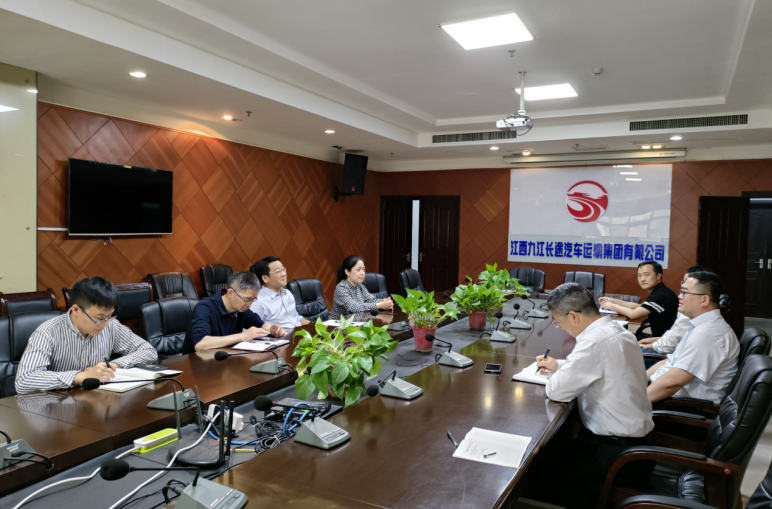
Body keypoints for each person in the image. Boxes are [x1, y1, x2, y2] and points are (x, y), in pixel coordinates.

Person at [530, 283, 654, 509]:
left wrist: (562, 372)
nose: (560, 327)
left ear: (573, 316)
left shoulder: (593, 342)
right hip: (637, 447)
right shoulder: (616, 330)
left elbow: (556, 390)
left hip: (614, 456)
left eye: (557, 322)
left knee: (533, 474)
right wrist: (561, 365)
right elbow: (603, 366)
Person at [15, 276, 157, 394]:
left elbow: (148, 351)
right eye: (99, 318)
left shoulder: (111, 326)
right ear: (76, 310)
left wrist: (113, 365)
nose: (104, 324)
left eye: (109, 317)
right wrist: (79, 376)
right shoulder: (48, 332)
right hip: (57, 406)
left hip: (98, 402)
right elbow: (24, 380)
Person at [647, 271, 739, 403]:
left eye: (684, 292)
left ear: (704, 300)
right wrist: (641, 380)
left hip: (680, 404)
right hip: (664, 393)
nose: (679, 296)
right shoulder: (699, 326)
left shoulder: (707, 335)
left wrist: (635, 403)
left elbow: (673, 382)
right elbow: (671, 361)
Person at [183, 272, 286, 354]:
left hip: (225, 362)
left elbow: (260, 324)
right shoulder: (205, 308)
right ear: (230, 293)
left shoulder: (241, 309)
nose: (249, 304)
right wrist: (242, 336)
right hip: (197, 366)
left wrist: (272, 330)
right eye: (247, 299)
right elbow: (200, 344)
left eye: (253, 300)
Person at [638, 265, 713, 369]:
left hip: (666, 355)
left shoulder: (692, 314)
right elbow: (676, 337)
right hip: (667, 351)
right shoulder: (690, 309)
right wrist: (652, 341)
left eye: (687, 285)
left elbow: (671, 345)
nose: (680, 295)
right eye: (683, 282)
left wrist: (646, 346)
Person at [598, 261, 678, 338]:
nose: (642, 279)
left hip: (664, 343)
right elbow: (640, 306)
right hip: (662, 339)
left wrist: (612, 306)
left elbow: (633, 314)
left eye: (647, 275)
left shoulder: (660, 295)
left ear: (658, 276)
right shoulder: (661, 291)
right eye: (639, 275)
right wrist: (613, 301)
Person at [250, 256, 310, 329]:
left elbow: (296, 318)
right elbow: (252, 329)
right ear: (265, 278)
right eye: (278, 271)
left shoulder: (287, 293)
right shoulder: (258, 301)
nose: (283, 274)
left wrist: (315, 326)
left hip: (298, 332)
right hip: (282, 335)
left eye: (283, 269)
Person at [330, 256, 393, 320]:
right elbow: (354, 307)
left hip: (357, 321)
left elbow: (371, 300)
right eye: (358, 270)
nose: (362, 273)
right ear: (347, 272)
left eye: (363, 269)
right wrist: (380, 305)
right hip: (338, 324)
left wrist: (385, 302)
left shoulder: (360, 286)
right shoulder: (341, 288)